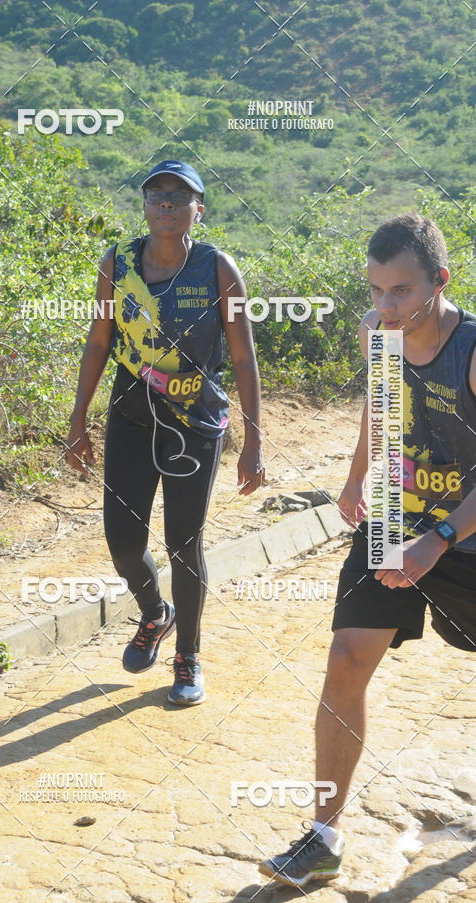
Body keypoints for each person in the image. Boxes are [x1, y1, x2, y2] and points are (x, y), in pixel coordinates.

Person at [259, 213, 476, 887]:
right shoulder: (376, 333)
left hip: (463, 532)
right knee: (347, 655)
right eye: (376, 290)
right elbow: (380, 411)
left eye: (401, 292)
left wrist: (438, 540)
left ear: (439, 282)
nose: (386, 307)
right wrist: (356, 478)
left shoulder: (472, 351)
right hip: (394, 516)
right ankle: (324, 835)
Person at [65, 160, 265, 705]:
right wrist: (78, 421)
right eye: (157, 197)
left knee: (184, 542)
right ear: (145, 205)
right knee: (124, 544)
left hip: (195, 423)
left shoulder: (218, 269)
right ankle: (157, 613)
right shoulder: (117, 262)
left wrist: (254, 440)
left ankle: (188, 657)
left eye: (180, 198)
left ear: (200, 208)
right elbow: (99, 340)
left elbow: (244, 358)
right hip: (131, 418)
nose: (167, 206)